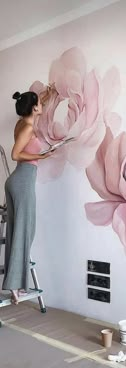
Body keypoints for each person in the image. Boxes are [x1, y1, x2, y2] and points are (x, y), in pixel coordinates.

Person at [2, 86, 55, 304]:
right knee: (24, 232)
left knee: (19, 232)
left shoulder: (24, 122)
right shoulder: (27, 128)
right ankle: (14, 288)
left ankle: (14, 286)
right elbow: (15, 154)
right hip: (22, 181)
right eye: (39, 104)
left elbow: (35, 103)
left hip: (18, 181)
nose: (41, 106)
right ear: (34, 108)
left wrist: (48, 95)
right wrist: (41, 156)